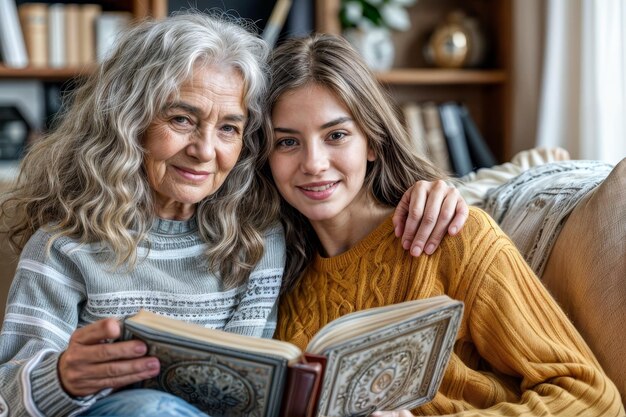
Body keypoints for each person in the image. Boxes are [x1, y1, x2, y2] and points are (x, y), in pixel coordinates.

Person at [0, 13, 468, 417]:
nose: (204, 151)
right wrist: (61, 378)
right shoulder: (63, 246)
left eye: (228, 128)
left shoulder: (256, 238)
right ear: (129, 120)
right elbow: (8, 396)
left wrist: (432, 190)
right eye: (181, 119)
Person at [264, 34, 625, 416]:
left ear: (371, 141)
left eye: (336, 135)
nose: (314, 163)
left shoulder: (454, 237)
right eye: (287, 142)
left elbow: (591, 399)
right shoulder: (278, 272)